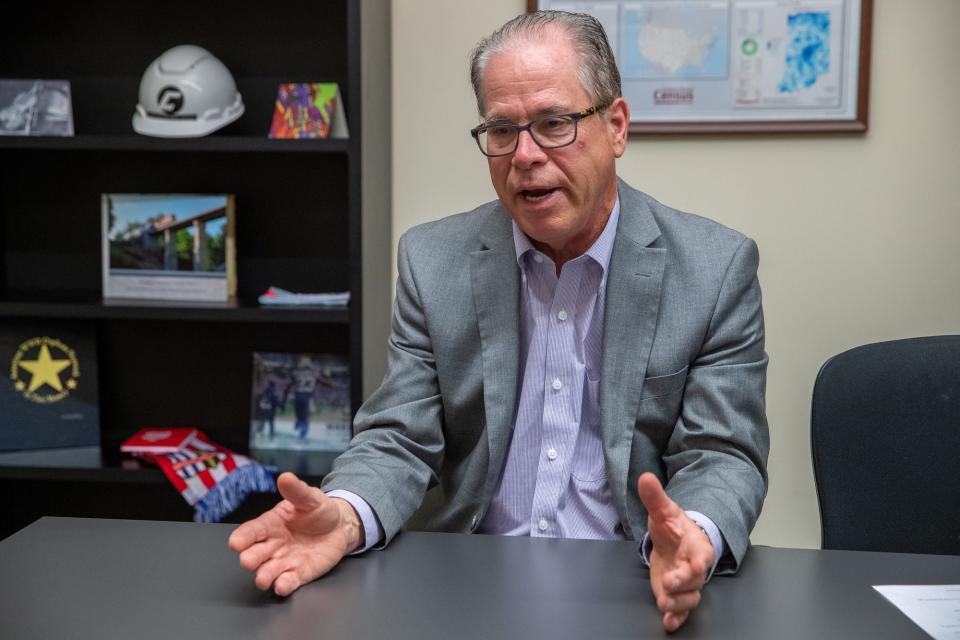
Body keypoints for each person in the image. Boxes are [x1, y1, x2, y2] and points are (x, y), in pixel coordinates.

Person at [229, 10, 768, 632]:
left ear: (616, 126)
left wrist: (690, 536)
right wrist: (346, 515)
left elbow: (722, 454)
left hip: (628, 586)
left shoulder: (714, 268)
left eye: (554, 124)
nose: (526, 155)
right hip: (463, 585)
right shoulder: (433, 261)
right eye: (502, 130)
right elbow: (398, 435)